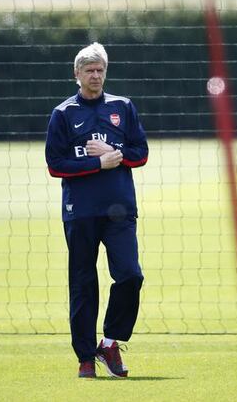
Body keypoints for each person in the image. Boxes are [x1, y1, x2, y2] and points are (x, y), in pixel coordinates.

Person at [44, 42, 148, 378]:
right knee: (83, 284)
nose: (96, 75)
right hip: (80, 212)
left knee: (131, 275)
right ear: (76, 74)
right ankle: (86, 358)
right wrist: (96, 163)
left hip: (120, 211)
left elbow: (141, 154)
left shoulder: (123, 107)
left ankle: (110, 341)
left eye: (100, 70)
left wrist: (112, 152)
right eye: (89, 70)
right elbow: (55, 164)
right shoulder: (63, 114)